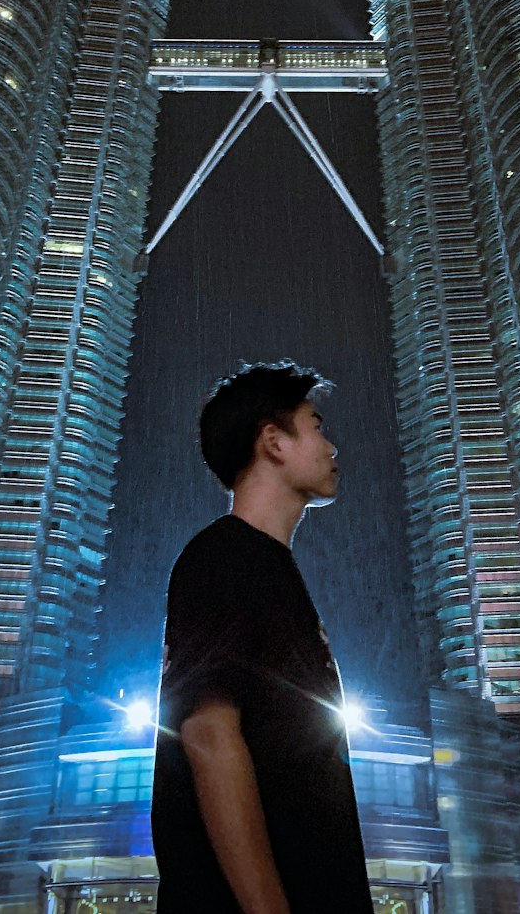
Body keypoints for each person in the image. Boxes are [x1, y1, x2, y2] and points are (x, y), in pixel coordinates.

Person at [151, 362, 373, 913]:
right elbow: (208, 735)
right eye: (316, 425)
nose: (331, 446)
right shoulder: (225, 558)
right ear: (274, 442)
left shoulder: (271, 571)